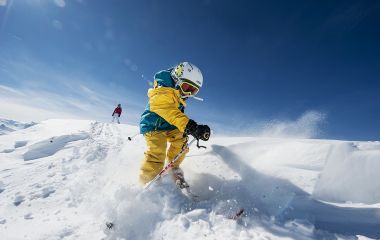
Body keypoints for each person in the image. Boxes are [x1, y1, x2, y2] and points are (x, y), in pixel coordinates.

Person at [139, 62, 210, 188]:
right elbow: (168, 110)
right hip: (153, 125)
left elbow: (176, 115)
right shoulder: (162, 90)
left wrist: (195, 129)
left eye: (193, 91)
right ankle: (148, 181)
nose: (188, 93)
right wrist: (190, 126)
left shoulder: (178, 95)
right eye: (186, 87)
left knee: (181, 141)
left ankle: (174, 167)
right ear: (177, 79)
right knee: (157, 150)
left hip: (170, 125)